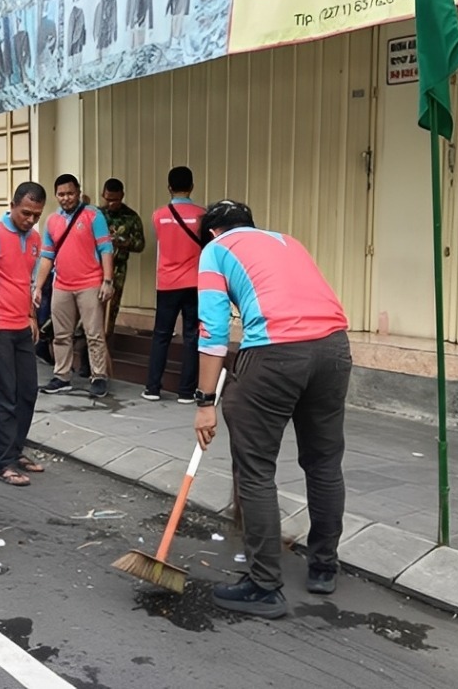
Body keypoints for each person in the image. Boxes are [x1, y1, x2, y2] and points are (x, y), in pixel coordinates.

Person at [194, 201, 351, 619]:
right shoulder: (288, 241)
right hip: (334, 348)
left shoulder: (215, 250)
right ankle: (323, 567)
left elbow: (211, 331)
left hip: (275, 353)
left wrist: (205, 402)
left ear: (211, 233)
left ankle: (264, 585)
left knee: (256, 468)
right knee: (323, 462)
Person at [33, 174, 115, 398]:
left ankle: (99, 376)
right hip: (61, 284)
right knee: (60, 335)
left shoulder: (93, 215)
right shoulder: (52, 220)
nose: (66, 198)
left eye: (70, 193)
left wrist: (107, 281)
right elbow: (47, 257)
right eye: (61, 194)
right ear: (56, 195)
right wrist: (38, 287)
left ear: (78, 192)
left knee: (94, 333)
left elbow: (106, 249)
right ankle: (62, 376)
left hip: (90, 283)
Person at [0, 183, 46, 487]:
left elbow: (26, 280)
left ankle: (17, 449)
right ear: (12, 205)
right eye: (26, 213)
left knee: (28, 392)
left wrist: (31, 315)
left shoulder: (35, 238)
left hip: (22, 326)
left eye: (36, 215)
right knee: (3, 395)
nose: (30, 220)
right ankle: (3, 462)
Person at [145, 167, 204, 403]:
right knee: (191, 336)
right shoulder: (202, 215)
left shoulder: (158, 215)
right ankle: (186, 392)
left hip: (167, 283)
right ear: (191, 186)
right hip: (194, 283)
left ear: (169, 187)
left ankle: (152, 388)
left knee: (161, 335)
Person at [99, 177, 145, 338]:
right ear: (103, 195)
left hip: (118, 269)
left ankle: (107, 341)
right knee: (90, 307)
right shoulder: (97, 215)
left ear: (122, 196)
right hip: (94, 268)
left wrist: (121, 241)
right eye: (108, 199)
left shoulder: (131, 217)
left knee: (111, 308)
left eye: (116, 200)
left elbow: (140, 245)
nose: (112, 203)